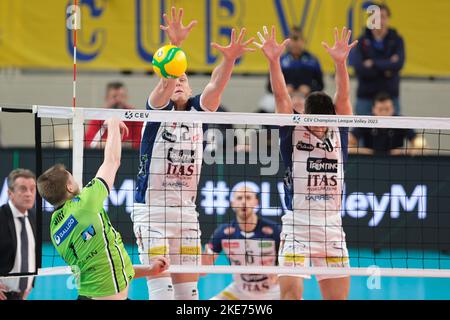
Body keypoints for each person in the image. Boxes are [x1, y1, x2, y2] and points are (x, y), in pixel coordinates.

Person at [132, 6, 255, 300]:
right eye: (175, 79)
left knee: (189, 296)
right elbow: (166, 79)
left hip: (186, 213)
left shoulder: (199, 110)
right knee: (162, 292)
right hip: (153, 212)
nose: (177, 83)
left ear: (190, 89)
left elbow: (216, 85)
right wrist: (175, 47)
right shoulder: (156, 109)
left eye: (184, 80)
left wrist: (229, 60)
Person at [255, 25, 357, 300]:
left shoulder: (339, 130)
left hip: (332, 226)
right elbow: (280, 97)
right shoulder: (292, 130)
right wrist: (274, 60)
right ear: (306, 116)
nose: (322, 127)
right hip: (297, 225)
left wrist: (340, 62)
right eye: (317, 121)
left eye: (328, 121)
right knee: (290, 297)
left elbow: (344, 97)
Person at [37, 118, 168, 300]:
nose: (76, 181)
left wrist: (150, 270)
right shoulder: (85, 204)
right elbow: (112, 161)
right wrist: (113, 124)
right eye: (72, 178)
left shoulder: (54, 227)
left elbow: (103, 265)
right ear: (68, 187)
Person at [203, 185, 281, 300]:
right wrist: (203, 257)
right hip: (239, 291)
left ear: (256, 202)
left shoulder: (273, 230)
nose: (244, 202)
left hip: (273, 290)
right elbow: (205, 268)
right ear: (233, 203)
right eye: (239, 198)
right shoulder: (223, 232)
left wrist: (279, 274)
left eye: (248, 198)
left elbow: (289, 262)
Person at [351, 3, 405, 115]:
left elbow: (398, 64)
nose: (379, 20)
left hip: (390, 96)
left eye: (383, 17)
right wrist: (387, 65)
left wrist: (372, 63)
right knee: (362, 131)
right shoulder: (361, 41)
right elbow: (359, 67)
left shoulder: (397, 40)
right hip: (365, 97)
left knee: (394, 130)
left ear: (388, 19)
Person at [258, 26, 323, 113]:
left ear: (303, 41)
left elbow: (321, 85)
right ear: (288, 41)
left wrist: (310, 89)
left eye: (298, 39)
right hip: (283, 97)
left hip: (306, 97)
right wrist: (282, 89)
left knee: (323, 103)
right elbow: (269, 86)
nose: (295, 43)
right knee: (265, 104)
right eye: (293, 39)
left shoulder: (312, 60)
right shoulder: (279, 59)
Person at [0, 169, 37, 300]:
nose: (29, 194)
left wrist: (30, 284)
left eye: (32, 189)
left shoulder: (33, 217)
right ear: (10, 193)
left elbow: (33, 254)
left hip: (22, 295)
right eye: (23, 189)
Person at [349, 93, 425, 155]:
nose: (384, 113)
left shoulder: (401, 122)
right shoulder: (366, 121)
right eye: (380, 109)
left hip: (396, 162)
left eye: (387, 109)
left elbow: (420, 144)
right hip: (370, 162)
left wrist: (403, 152)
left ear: (393, 109)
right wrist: (365, 151)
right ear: (373, 109)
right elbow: (348, 145)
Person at [84, 82, 143, 149]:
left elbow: (140, 142)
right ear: (106, 98)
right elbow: (89, 141)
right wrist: (116, 145)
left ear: (126, 97)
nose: (118, 99)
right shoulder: (98, 116)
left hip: (130, 155)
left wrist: (113, 144)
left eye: (121, 96)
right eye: (114, 96)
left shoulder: (135, 116)